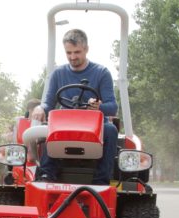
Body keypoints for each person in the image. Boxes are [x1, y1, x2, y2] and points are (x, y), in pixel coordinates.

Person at [30, 29, 118, 185]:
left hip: (93, 126)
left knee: (111, 130)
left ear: (86, 49)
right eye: (68, 53)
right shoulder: (58, 74)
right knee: (47, 128)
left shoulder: (101, 73)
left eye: (77, 52)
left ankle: (100, 181)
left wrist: (99, 107)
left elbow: (112, 107)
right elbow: (48, 103)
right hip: (64, 124)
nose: (72, 57)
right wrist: (41, 108)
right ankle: (46, 174)